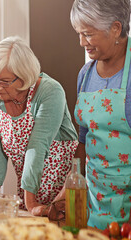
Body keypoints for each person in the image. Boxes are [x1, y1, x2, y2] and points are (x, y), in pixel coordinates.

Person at [0, 36, 79, 216]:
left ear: (24, 76)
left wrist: (31, 203)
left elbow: (36, 146)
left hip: (62, 190)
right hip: (29, 190)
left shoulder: (50, 91)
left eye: (4, 81)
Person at [70, 0, 131, 229]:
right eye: (79, 34)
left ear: (115, 28)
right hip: (93, 200)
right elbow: (83, 138)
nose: (81, 42)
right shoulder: (85, 74)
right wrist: (72, 183)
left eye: (88, 34)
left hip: (127, 204)